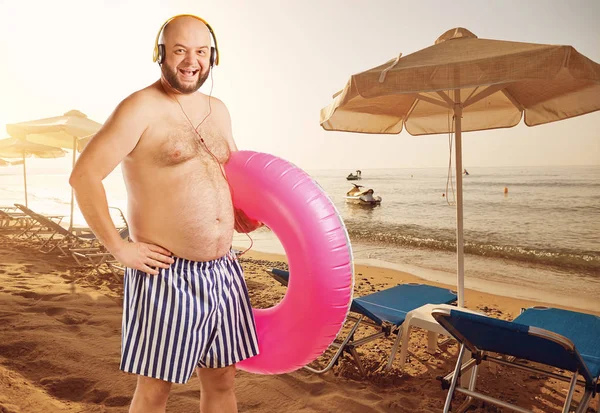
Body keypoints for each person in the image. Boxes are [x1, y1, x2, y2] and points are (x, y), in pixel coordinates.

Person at [69, 14, 261, 413]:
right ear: (161, 55)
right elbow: (84, 176)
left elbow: (222, 172)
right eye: (180, 51)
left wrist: (238, 210)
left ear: (214, 57)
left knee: (223, 380)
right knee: (157, 390)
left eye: (201, 52)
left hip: (223, 271)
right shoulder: (139, 107)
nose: (192, 61)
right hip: (166, 273)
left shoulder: (219, 109)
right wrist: (120, 248)